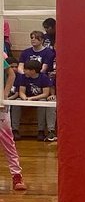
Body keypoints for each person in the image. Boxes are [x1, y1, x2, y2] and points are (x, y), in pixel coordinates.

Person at [1, 53, 25, 191]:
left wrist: (4, 95)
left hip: (0, 106)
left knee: (7, 141)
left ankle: (16, 175)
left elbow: (11, 75)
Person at [14, 58, 55, 141]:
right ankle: (14, 130)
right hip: (27, 98)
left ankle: (41, 130)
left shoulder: (43, 77)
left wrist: (32, 98)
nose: (24, 71)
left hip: (39, 98)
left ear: (32, 71)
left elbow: (45, 94)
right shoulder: (23, 77)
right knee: (15, 103)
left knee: (42, 102)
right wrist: (25, 98)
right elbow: (21, 92)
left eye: (26, 69)